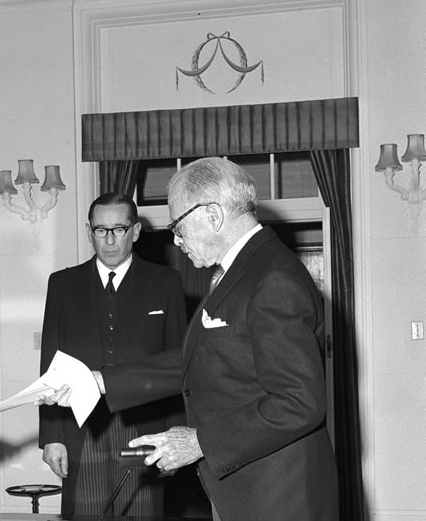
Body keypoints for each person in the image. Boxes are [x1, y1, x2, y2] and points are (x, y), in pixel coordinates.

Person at [46, 157, 338, 521]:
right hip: (247, 487)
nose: (175, 239)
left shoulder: (271, 279)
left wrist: (198, 442)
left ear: (213, 215)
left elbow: (299, 402)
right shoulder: (244, 270)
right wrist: (100, 381)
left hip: (279, 493)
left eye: (178, 225)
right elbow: (199, 358)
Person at [38, 192, 186, 517]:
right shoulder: (62, 284)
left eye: (118, 229)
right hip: (82, 427)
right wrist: (52, 437)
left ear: (135, 231)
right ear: (88, 231)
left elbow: (180, 367)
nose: (109, 240)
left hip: (145, 427)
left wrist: (175, 436)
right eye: (100, 230)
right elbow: (51, 365)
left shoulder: (166, 282)